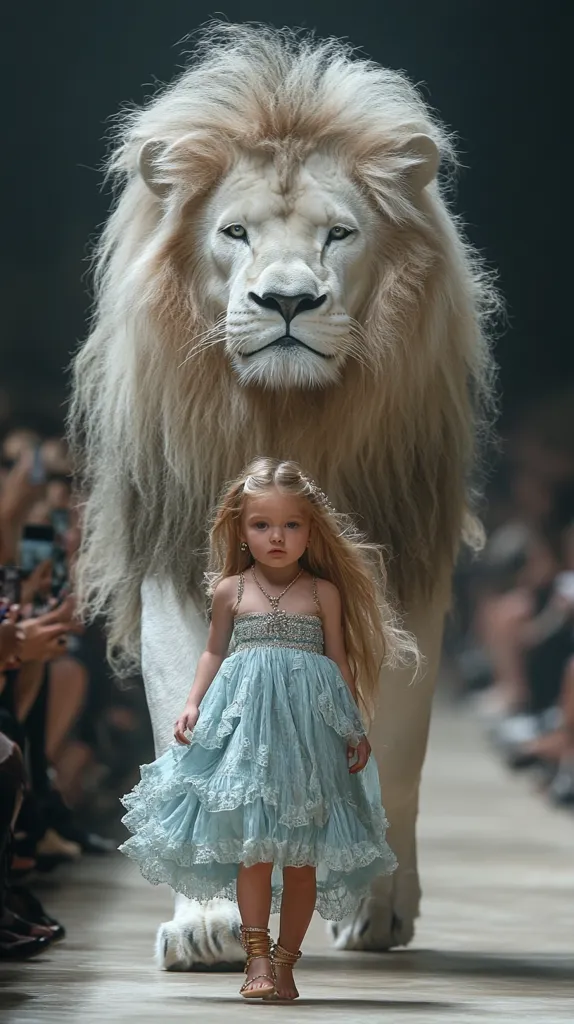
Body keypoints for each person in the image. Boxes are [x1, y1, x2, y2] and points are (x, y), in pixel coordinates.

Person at [119, 458, 418, 1001]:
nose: (277, 537)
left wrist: (354, 727)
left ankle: (286, 964)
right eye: (261, 525)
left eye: (291, 525)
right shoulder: (230, 591)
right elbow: (213, 651)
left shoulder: (324, 593)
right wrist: (191, 705)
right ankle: (256, 960)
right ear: (239, 528)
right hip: (248, 730)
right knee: (254, 852)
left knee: (300, 859)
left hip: (307, 731)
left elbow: (339, 662)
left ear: (311, 529)